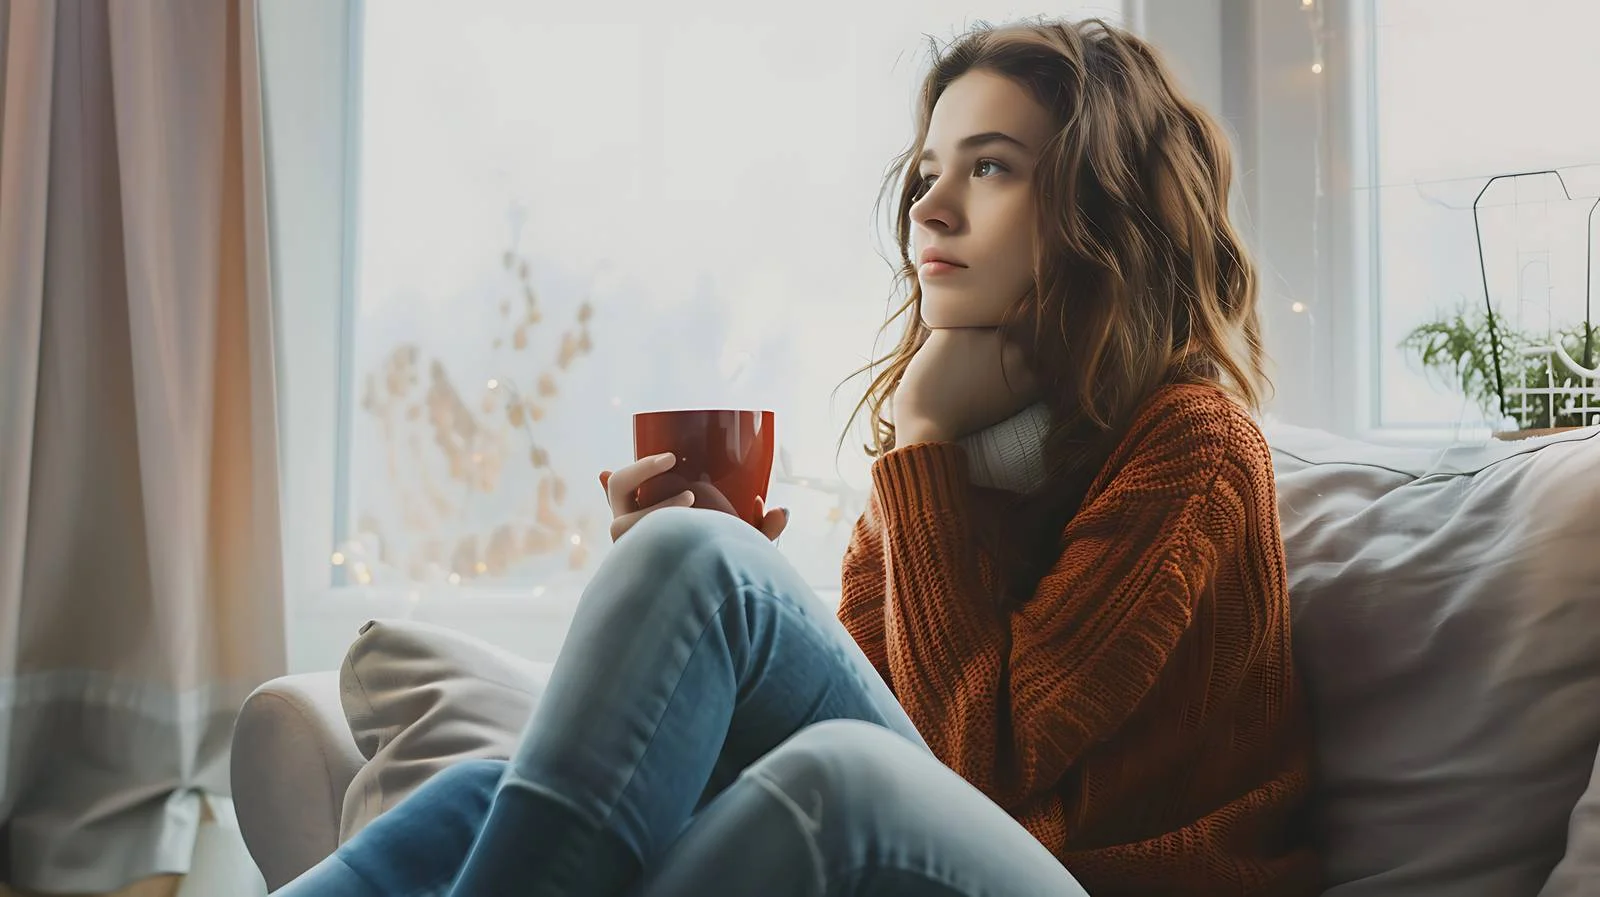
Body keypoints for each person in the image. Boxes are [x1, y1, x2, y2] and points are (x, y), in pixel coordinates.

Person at [276, 16, 1320, 897]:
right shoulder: (937, 485)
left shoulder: (1189, 447)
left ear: (1103, 210)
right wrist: (716, 634)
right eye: (927, 171)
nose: (928, 208)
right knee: (480, 792)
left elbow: (971, 779)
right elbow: (876, 722)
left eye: (990, 166)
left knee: (764, 663)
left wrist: (920, 445)